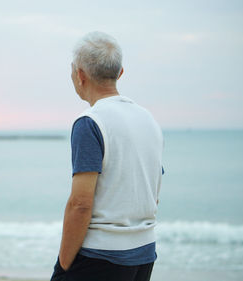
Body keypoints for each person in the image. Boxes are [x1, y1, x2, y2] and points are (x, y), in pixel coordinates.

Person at [50, 31, 164, 281]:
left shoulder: (90, 122)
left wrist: (64, 265)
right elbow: (153, 190)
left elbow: (80, 203)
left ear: (79, 75)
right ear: (120, 72)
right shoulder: (149, 120)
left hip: (100, 257)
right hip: (144, 253)